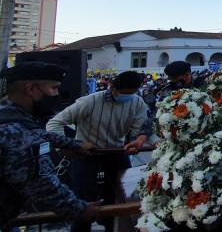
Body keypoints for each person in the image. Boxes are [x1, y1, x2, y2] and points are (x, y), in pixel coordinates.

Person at [47, 70, 149, 232]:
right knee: (83, 198)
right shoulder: (90, 101)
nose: (125, 96)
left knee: (122, 195)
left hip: (115, 151)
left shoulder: (137, 103)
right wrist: (66, 146)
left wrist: (138, 140)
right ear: (112, 87)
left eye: (129, 94)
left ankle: (112, 225)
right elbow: (55, 123)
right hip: (86, 154)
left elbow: (141, 127)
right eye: (122, 93)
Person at [0, 62, 100, 228]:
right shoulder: (19, 132)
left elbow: (39, 134)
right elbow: (42, 186)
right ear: (31, 89)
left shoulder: (8, 114)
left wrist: (73, 144)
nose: (57, 94)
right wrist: (80, 209)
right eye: (53, 88)